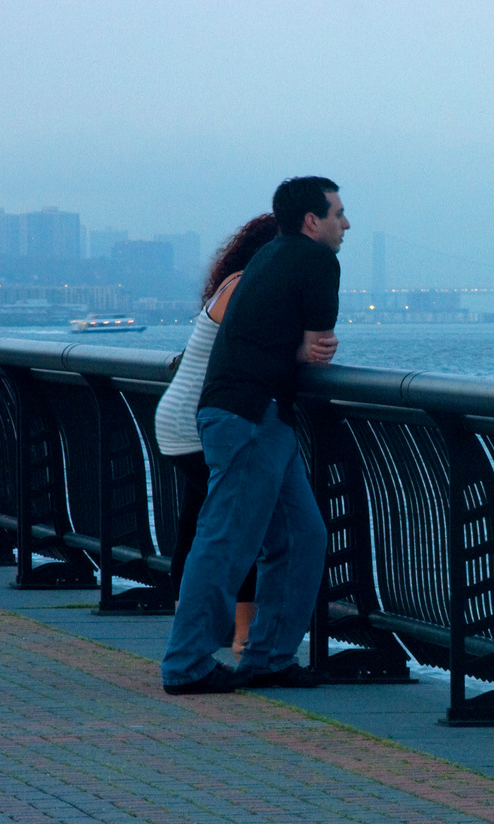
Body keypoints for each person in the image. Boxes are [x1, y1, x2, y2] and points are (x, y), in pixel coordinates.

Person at [160, 176, 349, 694]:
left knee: (302, 536)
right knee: (225, 542)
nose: (345, 224)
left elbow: (276, 343)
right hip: (249, 417)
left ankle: (267, 657)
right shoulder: (317, 261)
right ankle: (186, 665)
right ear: (313, 220)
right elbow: (319, 347)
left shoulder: (265, 259)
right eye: (338, 213)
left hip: (256, 416)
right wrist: (305, 351)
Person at [154, 214, 279, 657]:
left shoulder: (233, 282)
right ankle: (240, 639)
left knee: (197, 529)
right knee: (234, 529)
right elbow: (267, 349)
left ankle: (190, 635)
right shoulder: (246, 286)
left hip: (179, 418)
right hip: (197, 422)